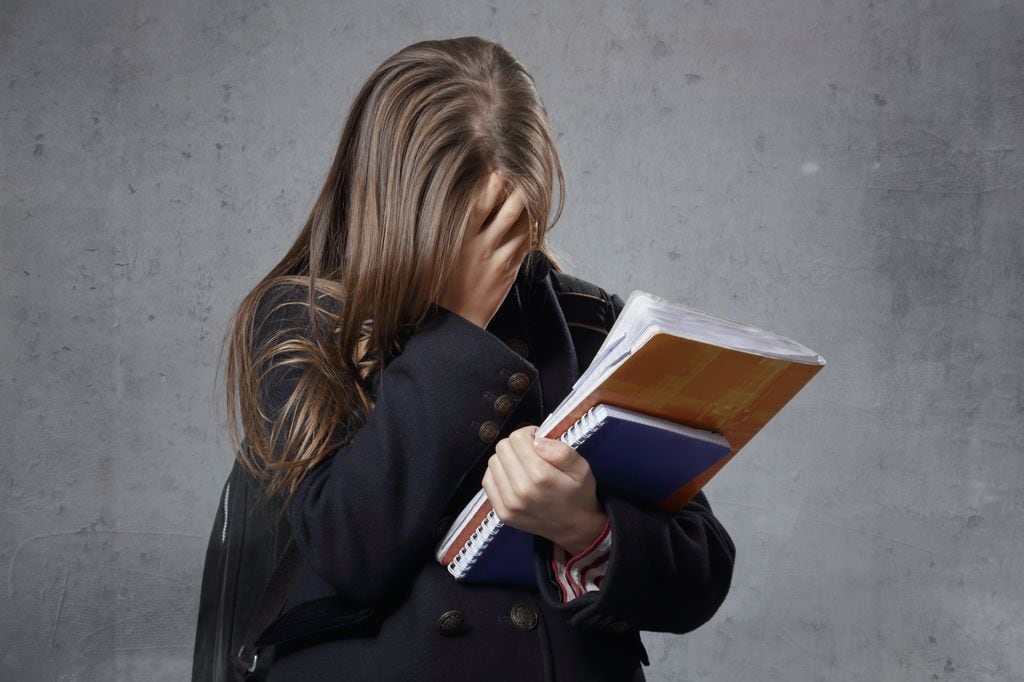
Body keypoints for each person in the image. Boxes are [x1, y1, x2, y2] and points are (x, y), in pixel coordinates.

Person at [220, 36, 735, 681]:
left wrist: (586, 527)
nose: (486, 250)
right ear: (391, 209)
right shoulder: (303, 319)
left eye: (506, 222)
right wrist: (460, 328)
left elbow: (701, 574)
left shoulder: (587, 319)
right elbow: (348, 548)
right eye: (453, 228)